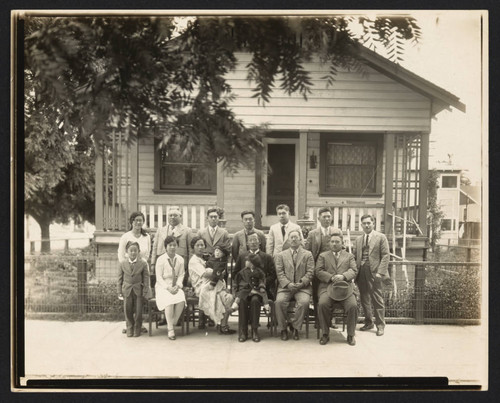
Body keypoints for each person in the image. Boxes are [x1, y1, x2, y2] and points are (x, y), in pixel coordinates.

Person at [315, 229, 358, 346]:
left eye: (337, 242)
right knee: (323, 304)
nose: (334, 244)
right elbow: (318, 271)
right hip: (327, 287)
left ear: (342, 243)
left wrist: (343, 276)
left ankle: (350, 335)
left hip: (345, 289)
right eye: (332, 241)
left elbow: (354, 270)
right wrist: (331, 277)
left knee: (353, 306)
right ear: (329, 243)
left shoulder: (349, 256)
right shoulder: (323, 256)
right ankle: (325, 333)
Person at [188, 236, 236, 335]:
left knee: (229, 297)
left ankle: (223, 324)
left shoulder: (205, 258)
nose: (200, 247)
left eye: (202, 245)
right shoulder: (194, 260)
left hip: (212, 284)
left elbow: (214, 272)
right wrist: (220, 272)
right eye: (198, 245)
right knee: (221, 298)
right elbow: (206, 274)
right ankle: (221, 325)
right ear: (193, 247)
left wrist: (217, 272)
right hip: (201, 286)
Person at [354, 214, 391, 336]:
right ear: (361, 225)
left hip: (375, 272)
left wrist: (381, 272)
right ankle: (369, 322)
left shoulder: (381, 237)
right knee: (364, 298)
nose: (366, 225)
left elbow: (386, 255)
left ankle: (380, 325)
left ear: (373, 223)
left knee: (377, 299)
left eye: (369, 223)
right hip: (361, 271)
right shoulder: (358, 240)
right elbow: (355, 257)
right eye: (364, 223)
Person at [274, 229, 314, 341]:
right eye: (291, 237)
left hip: (302, 287)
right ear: (288, 240)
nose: (294, 239)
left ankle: (296, 327)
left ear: (301, 240)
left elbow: (310, 271)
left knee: (304, 302)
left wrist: (301, 283)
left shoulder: (308, 254)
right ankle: (283, 329)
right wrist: (288, 284)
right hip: (285, 287)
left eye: (296, 237)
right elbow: (279, 272)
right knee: (279, 302)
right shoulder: (281, 255)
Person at [117, 211, 151, 334]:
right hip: (128, 270)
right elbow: (121, 255)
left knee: (140, 301)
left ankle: (138, 326)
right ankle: (129, 326)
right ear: (131, 222)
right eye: (136, 220)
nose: (138, 222)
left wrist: (140, 266)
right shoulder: (125, 236)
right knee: (129, 302)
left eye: (140, 220)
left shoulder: (146, 236)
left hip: (141, 269)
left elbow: (147, 254)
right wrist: (127, 268)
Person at [304, 207, 336, 326]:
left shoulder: (337, 231)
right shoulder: (313, 234)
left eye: (329, 216)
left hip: (333, 268)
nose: (327, 219)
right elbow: (307, 252)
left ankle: (330, 320)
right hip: (318, 269)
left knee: (333, 293)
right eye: (324, 217)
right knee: (318, 294)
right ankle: (319, 320)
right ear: (319, 218)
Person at [154, 236, 186, 340]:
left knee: (181, 298)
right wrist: (168, 288)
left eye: (174, 245)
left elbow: (181, 274)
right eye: (170, 245)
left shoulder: (180, 259)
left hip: (175, 285)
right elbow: (159, 277)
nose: (172, 247)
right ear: (165, 247)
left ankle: (173, 322)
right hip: (163, 286)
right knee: (169, 299)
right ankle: (170, 329)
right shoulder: (161, 260)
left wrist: (178, 285)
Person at [233, 254, 270, 342]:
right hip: (244, 292)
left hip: (256, 293)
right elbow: (238, 284)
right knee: (242, 301)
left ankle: (255, 329)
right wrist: (248, 291)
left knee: (255, 301)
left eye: (247, 261)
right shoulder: (242, 272)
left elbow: (262, 280)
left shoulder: (259, 272)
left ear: (252, 263)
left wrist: (261, 286)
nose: (245, 262)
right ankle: (243, 330)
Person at [152, 207, 193, 285]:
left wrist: (189, 266)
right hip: (163, 264)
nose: (172, 217)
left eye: (175, 215)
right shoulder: (161, 230)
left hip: (179, 264)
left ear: (180, 217)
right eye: (170, 215)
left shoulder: (187, 231)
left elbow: (191, 250)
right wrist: (153, 263)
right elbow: (155, 247)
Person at [233, 233, 277, 301]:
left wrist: (261, 284)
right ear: (247, 243)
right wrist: (243, 285)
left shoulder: (267, 257)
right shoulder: (242, 256)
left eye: (255, 240)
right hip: (244, 289)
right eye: (250, 240)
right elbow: (235, 273)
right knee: (242, 300)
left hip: (261, 289)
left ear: (259, 242)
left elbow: (273, 275)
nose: (253, 242)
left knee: (255, 300)